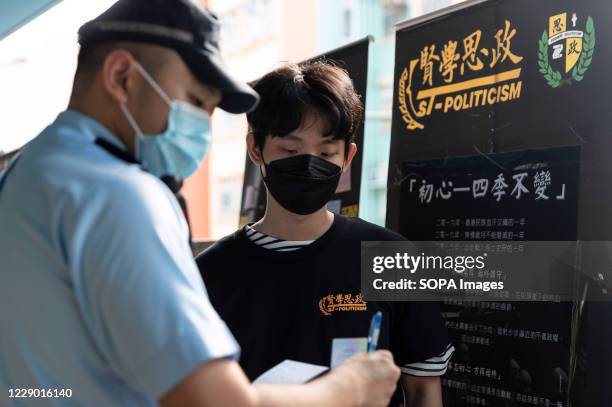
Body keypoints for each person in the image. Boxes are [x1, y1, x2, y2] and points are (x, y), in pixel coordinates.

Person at [0, 1, 400, 406]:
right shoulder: (117, 194)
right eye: (194, 101)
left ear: (347, 156)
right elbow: (215, 403)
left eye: (326, 151)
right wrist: (348, 389)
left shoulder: (29, 174)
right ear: (122, 77)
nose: (200, 128)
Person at [196, 61, 455, 407]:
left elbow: (424, 391)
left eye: (326, 152)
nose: (308, 163)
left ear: (347, 157)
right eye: (290, 150)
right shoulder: (209, 274)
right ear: (255, 148)